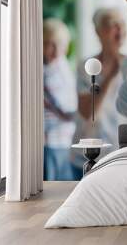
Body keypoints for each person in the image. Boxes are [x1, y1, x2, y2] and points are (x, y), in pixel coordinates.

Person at [72, 8, 127, 179]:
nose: (119, 29)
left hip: (121, 155)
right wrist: (111, 75)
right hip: (88, 155)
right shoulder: (86, 66)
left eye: (121, 24)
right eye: (112, 25)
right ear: (98, 31)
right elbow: (87, 112)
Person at [43, 18, 77, 180]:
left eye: (60, 44)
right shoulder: (41, 70)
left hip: (65, 138)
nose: (55, 50)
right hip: (48, 140)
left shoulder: (63, 66)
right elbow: (60, 107)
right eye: (49, 44)